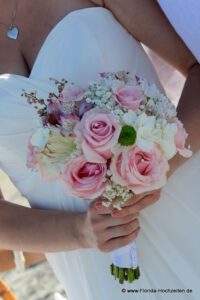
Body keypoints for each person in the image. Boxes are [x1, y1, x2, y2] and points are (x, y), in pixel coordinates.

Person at [0, 1, 199, 299]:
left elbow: (195, 70)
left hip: (184, 207)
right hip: (93, 266)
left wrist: (156, 168)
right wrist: (80, 231)